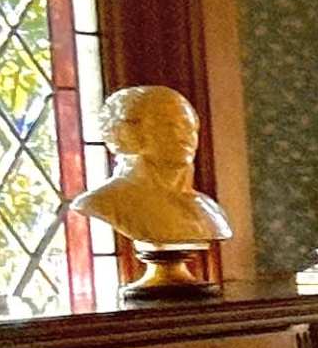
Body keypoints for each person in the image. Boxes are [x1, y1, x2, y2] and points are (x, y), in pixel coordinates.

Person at [67, 84, 230, 272]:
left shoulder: (207, 209)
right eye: (171, 125)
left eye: (190, 127)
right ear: (129, 133)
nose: (186, 137)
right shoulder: (104, 202)